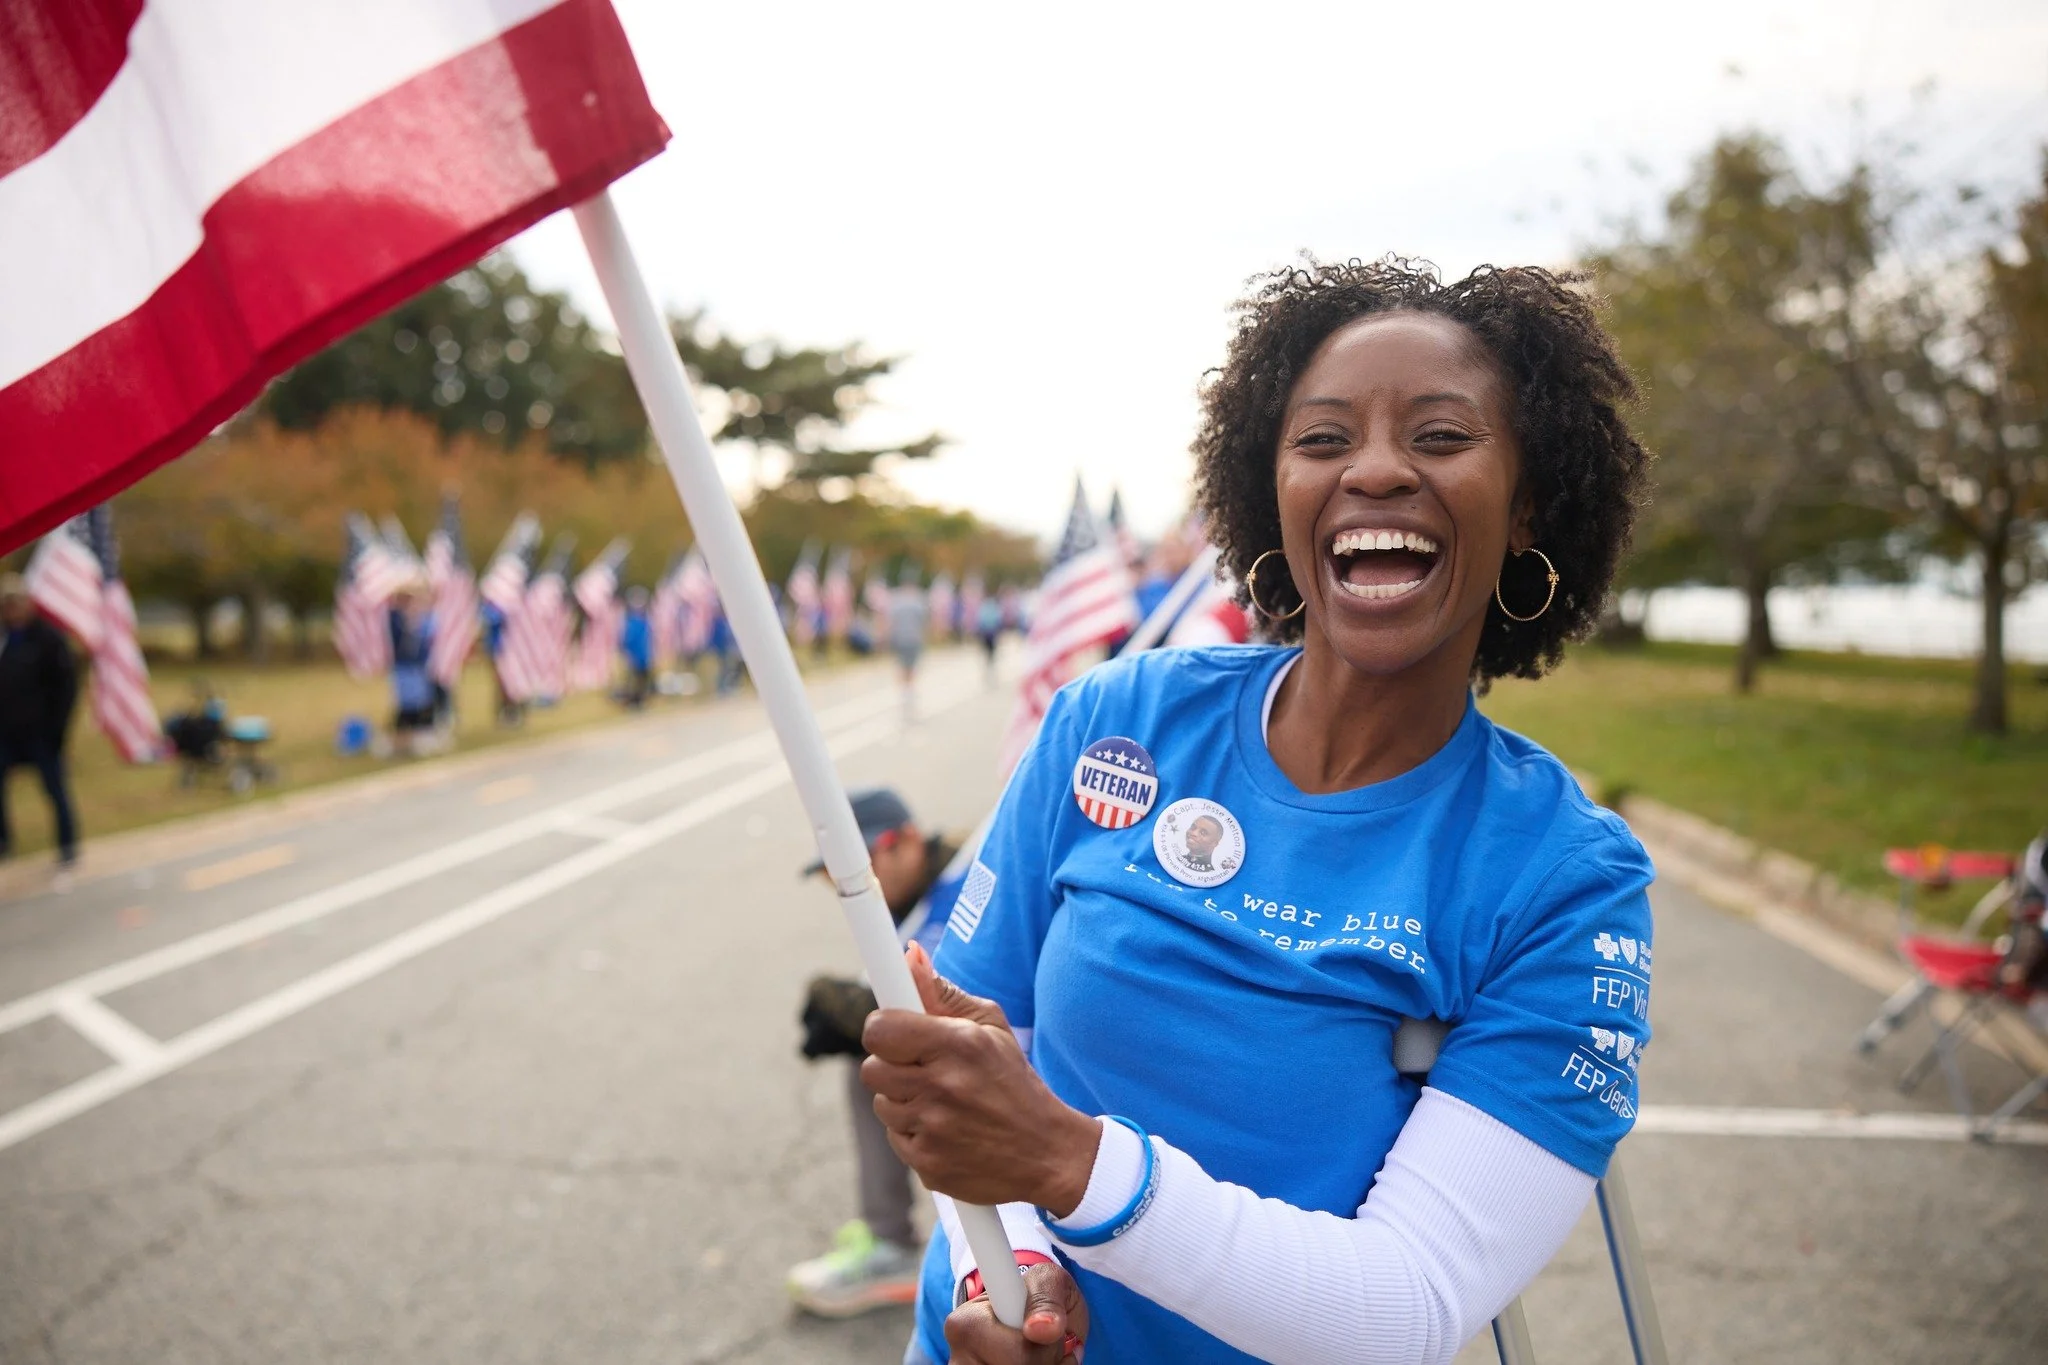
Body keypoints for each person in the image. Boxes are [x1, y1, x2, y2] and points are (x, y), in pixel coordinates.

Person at [858, 258, 1655, 1365]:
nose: (1373, 469)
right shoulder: (1113, 719)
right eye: (1321, 439)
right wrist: (1024, 1268)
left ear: (1528, 507)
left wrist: (1073, 1169)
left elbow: (1405, 1305)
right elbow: (970, 1090)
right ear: (1268, 495)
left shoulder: (1563, 881)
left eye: (1438, 436)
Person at [787, 788, 980, 1317]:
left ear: (908, 841)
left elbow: (965, 995)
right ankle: (891, 1234)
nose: (842, 881)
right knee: (868, 1061)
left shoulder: (971, 877)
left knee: (880, 1062)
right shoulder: (906, 897)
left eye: (860, 862)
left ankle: (904, 1245)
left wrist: (859, 1011)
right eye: (833, 870)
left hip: (1030, 1060)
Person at [0, 573, 82, 883]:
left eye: (16, 603)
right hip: (6, 732)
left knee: (54, 789)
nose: (11, 610)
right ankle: (4, 842)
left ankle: (67, 845)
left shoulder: (48, 639)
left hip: (41, 732)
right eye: (6, 604)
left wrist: (56, 730)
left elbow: (65, 687)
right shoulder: (4, 637)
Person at [384, 582, 441, 756]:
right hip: (403, 666)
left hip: (417, 667)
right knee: (405, 705)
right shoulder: (395, 618)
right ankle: (400, 740)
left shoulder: (419, 618)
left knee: (421, 703)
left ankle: (417, 737)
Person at [888, 581, 929, 722]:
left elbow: (891, 622)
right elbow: (924, 622)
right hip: (914, 639)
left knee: (902, 667)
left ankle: (904, 694)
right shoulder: (917, 604)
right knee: (911, 669)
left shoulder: (897, 604)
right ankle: (909, 694)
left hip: (900, 640)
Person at [619, 586, 653, 708]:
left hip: (644, 656)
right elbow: (627, 640)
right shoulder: (632, 621)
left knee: (643, 679)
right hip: (635, 656)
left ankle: (639, 701)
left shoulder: (644, 620)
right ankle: (633, 702)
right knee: (633, 680)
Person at [975, 596, 1003, 684]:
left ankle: (988, 670)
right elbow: (998, 620)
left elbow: (980, 621)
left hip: (986, 634)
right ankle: (991, 669)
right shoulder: (994, 607)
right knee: (991, 653)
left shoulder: (983, 608)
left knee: (987, 654)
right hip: (992, 634)